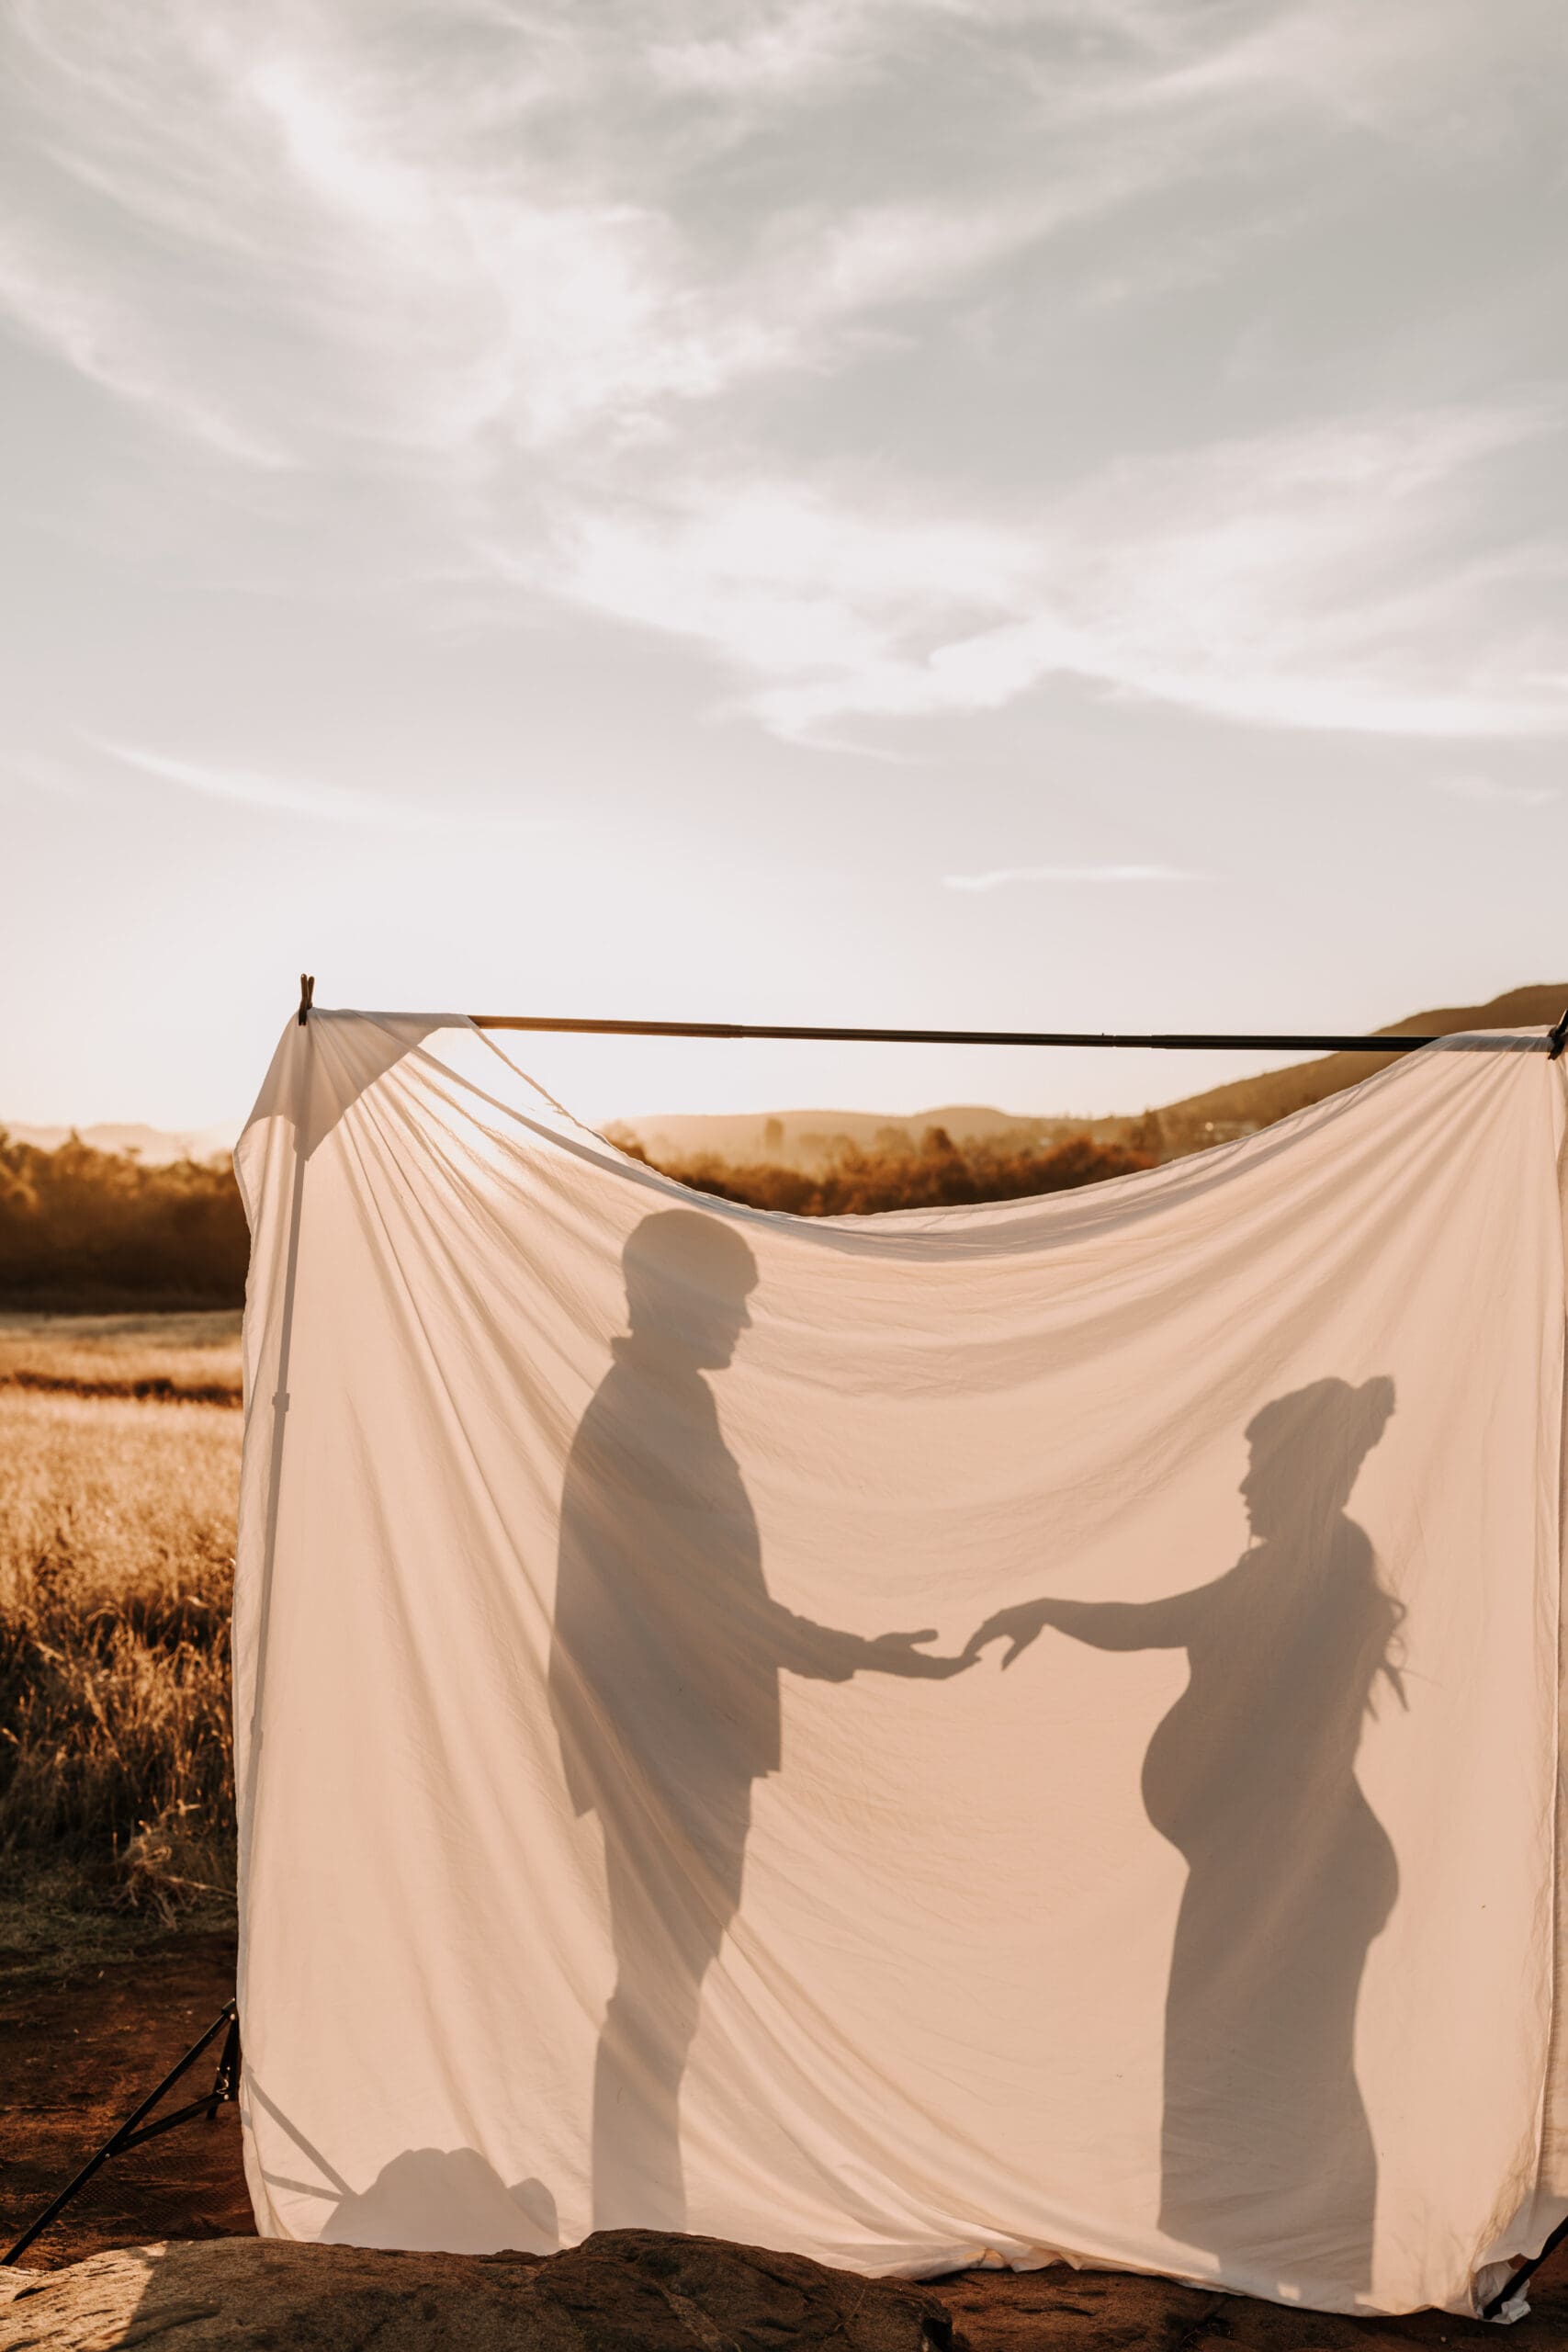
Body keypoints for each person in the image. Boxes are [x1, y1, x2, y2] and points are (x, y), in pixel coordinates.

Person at [550, 1208, 969, 2228]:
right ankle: (637, 2227)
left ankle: (644, 2218)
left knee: (662, 1992)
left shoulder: (663, 1402)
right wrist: (858, 1652)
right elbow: (705, 1603)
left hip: (675, 1745)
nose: (742, 1322)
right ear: (666, 1298)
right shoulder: (650, 1414)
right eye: (729, 1302)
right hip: (671, 1750)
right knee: (658, 1994)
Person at [967, 1376, 1404, 2299]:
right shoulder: (1282, 1565)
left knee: (1290, 2047)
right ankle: (1262, 2240)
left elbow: (1266, 1702)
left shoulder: (1319, 1567)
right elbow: (1156, 1622)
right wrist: (1049, 1608)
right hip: (1263, 1861)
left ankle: (1313, 2251)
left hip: (1303, 1865)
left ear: (1296, 1472)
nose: (1243, 1487)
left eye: (1256, 1467)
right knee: (1247, 2041)